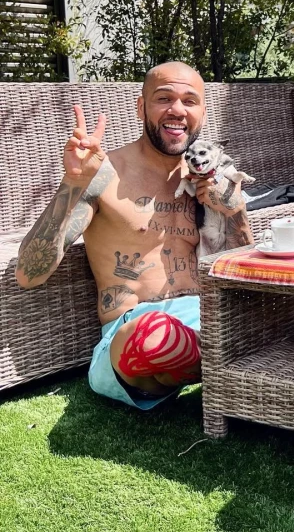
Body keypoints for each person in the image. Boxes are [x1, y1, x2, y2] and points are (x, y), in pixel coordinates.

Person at [15, 62, 254, 411]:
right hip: (134, 335)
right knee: (158, 337)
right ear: (141, 106)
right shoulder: (104, 174)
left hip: (208, 315)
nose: (177, 110)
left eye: (190, 100)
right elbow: (28, 273)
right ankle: (223, 354)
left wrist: (234, 209)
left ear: (202, 111)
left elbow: (243, 266)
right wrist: (73, 184)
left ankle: (218, 349)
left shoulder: (210, 173)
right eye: (164, 98)